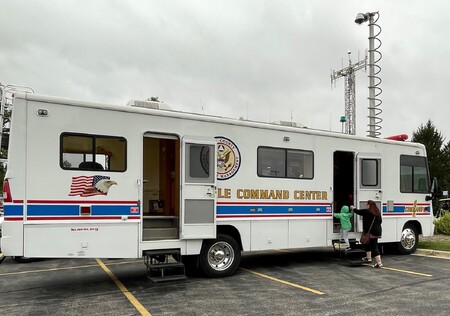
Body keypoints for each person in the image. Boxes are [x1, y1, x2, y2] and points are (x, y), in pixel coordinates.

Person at [351, 200, 383, 268]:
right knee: (366, 244)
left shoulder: (367, 211)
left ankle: (379, 263)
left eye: (367, 204)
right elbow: (380, 221)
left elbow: (358, 211)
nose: (366, 205)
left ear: (369, 205)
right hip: (377, 231)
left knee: (374, 247)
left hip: (371, 232)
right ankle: (368, 258)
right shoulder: (377, 213)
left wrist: (353, 208)